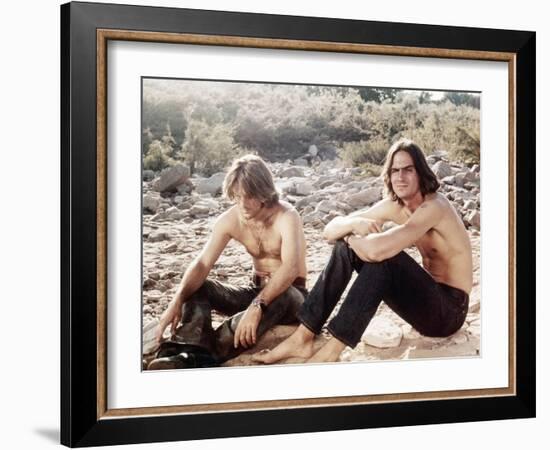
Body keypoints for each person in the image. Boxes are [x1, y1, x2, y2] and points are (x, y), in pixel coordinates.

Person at [253, 138, 472, 364]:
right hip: (423, 306)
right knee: (344, 248)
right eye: (395, 170)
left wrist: (350, 237)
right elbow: (329, 231)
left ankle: (332, 350)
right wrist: (350, 228)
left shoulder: (435, 207)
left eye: (408, 170)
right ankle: (303, 336)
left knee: (385, 260)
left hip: (450, 312)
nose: (400, 177)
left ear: (421, 172)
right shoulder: (395, 206)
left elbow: (378, 251)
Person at [148, 154, 308, 370]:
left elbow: (290, 269)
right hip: (255, 291)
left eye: (250, 196)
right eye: (237, 196)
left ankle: (204, 354)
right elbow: (203, 263)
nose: (243, 204)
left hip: (291, 298)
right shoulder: (231, 219)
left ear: (264, 192)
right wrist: (176, 301)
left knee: (285, 293)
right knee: (198, 286)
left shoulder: (287, 216)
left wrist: (256, 306)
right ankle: (189, 350)